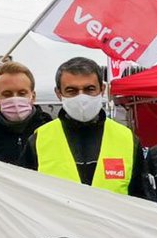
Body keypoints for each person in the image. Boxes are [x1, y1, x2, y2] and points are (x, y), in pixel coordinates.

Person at [21, 57, 148, 198]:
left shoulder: (127, 139)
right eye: (71, 90)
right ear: (58, 93)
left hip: (111, 219)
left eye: (89, 89)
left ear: (102, 89)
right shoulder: (39, 140)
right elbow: (26, 198)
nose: (81, 97)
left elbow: (144, 198)